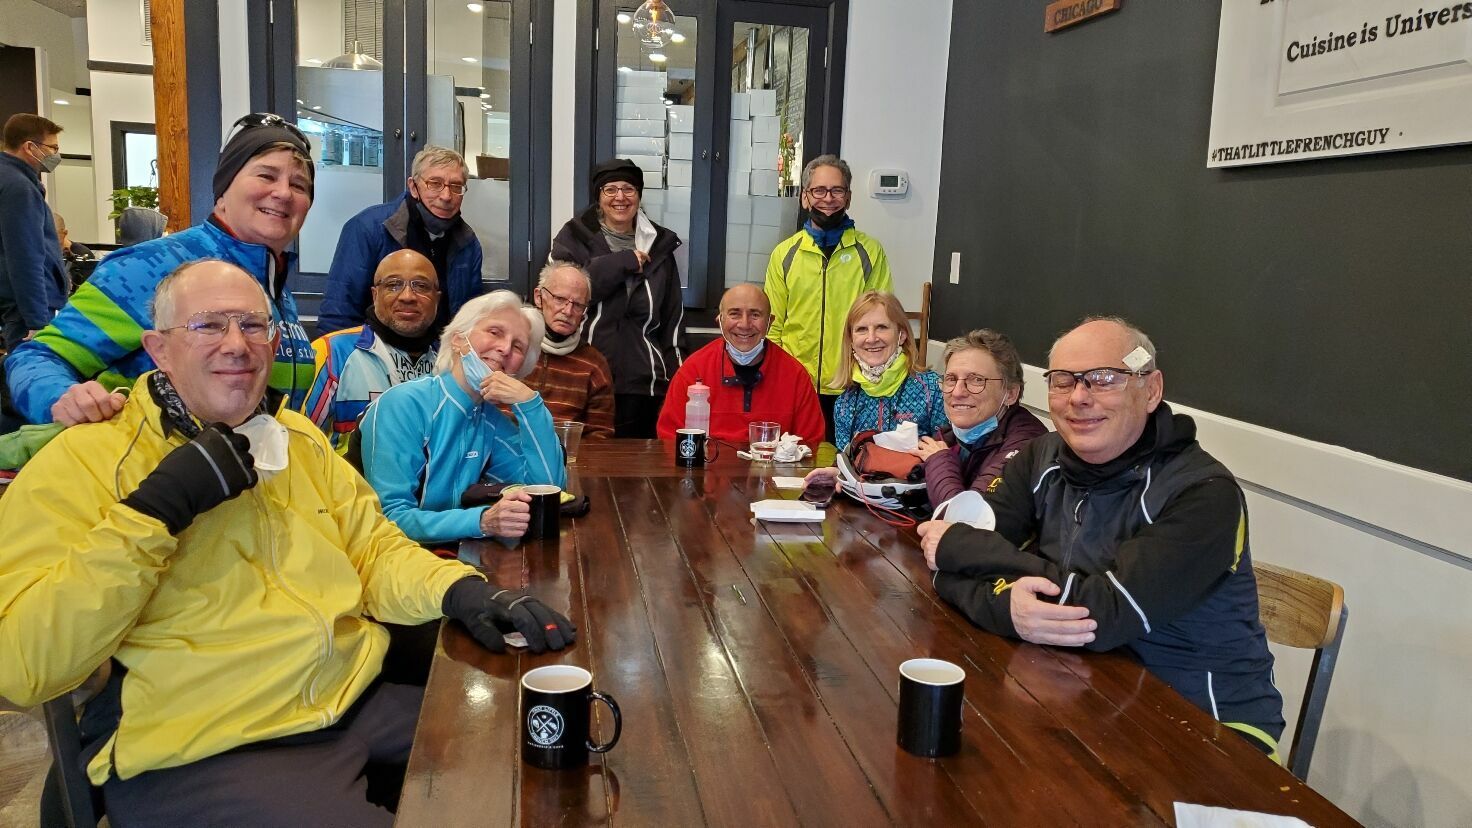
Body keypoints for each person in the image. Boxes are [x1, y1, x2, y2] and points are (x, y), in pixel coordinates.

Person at [0, 260, 575, 826]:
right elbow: (24, 667)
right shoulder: (86, 459)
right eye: (208, 325)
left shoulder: (296, 438)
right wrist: (153, 513)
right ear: (159, 349)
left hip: (349, 697)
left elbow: (374, 548)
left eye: (253, 326)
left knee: (535, 737)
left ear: (273, 343)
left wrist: (460, 589)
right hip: (209, 744)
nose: (236, 345)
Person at [917, 317, 1284, 756]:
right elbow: (947, 561)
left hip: (1208, 728)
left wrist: (960, 550)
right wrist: (1004, 602)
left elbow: (1101, 616)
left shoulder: (1204, 494)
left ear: (1151, 390)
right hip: (1080, 691)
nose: (1078, 397)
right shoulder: (1041, 456)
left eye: (1104, 379)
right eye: (1062, 380)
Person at [4, 113, 317, 428]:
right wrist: (62, 398)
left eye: (299, 185)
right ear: (223, 190)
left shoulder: (276, 288)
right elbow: (35, 357)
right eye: (266, 176)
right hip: (139, 456)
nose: (284, 193)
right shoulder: (150, 266)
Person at [360, 290, 565, 547]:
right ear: (458, 340)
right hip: (387, 557)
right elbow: (389, 519)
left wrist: (531, 405)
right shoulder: (403, 404)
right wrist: (482, 521)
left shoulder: (491, 420)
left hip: (451, 554)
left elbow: (547, 492)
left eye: (517, 346)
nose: (504, 349)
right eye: (495, 332)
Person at [551, 159, 684, 438]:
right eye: (610, 189)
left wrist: (678, 384)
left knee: (637, 464)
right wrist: (623, 262)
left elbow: (672, 324)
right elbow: (565, 295)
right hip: (583, 377)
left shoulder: (659, 246)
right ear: (598, 197)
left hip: (644, 386)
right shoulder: (573, 238)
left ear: (639, 196)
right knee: (584, 460)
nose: (620, 197)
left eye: (628, 189)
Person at [763, 155, 892, 433]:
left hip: (853, 385)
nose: (828, 199)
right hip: (798, 386)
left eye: (837, 190)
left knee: (848, 458)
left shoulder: (870, 252)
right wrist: (780, 377)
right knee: (796, 458)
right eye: (819, 190)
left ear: (848, 197)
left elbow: (882, 321)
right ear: (805, 197)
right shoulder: (784, 254)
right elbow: (773, 325)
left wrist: (868, 373)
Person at [318, 146, 483, 336]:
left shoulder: (468, 244)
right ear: (413, 187)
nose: (446, 196)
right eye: (435, 184)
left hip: (439, 351)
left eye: (456, 187)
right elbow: (338, 315)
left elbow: (470, 321)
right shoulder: (367, 229)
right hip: (373, 349)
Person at [303, 249, 443, 452]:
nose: (407, 296)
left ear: (437, 299)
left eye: (421, 286)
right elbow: (298, 443)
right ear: (375, 295)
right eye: (393, 285)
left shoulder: (451, 361)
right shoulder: (332, 352)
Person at [656, 283, 824, 447]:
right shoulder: (693, 370)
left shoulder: (795, 375)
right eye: (735, 314)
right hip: (706, 465)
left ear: (770, 322)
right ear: (720, 320)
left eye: (755, 315)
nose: (744, 324)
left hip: (772, 466)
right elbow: (669, 439)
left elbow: (812, 444)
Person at [910, 329, 1047, 504]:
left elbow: (967, 514)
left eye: (976, 380)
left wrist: (939, 460)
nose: (957, 392)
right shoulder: (952, 435)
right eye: (951, 379)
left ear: (1011, 393)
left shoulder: (1027, 445)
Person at [829, 290, 947, 450]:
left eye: (881, 327)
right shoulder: (845, 403)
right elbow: (845, 461)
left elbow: (946, 455)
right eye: (862, 329)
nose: (871, 338)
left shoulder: (933, 389)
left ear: (902, 335)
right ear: (851, 340)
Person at [523, 260, 615, 438]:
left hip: (567, 453)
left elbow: (600, 437)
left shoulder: (594, 364)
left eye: (578, 305)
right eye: (560, 299)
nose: (568, 311)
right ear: (539, 297)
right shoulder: (512, 347)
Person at [0, 114, 67, 352]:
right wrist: (37, 320)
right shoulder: (19, 187)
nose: (55, 155)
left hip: (17, 304)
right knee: (31, 367)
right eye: (53, 148)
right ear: (30, 147)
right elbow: (25, 256)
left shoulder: (8, 177)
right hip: (25, 310)